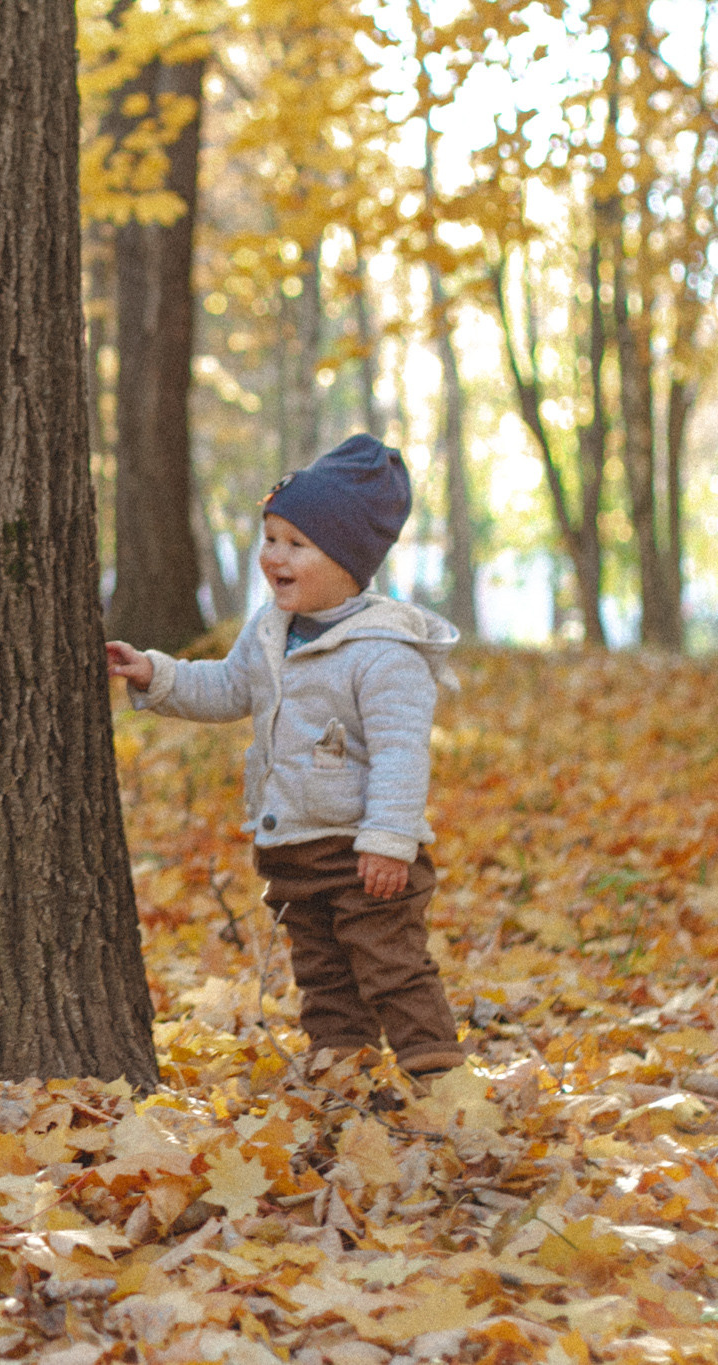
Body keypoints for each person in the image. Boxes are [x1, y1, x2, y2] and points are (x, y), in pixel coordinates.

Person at [106, 434, 465, 1081]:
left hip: (364, 858)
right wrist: (153, 674)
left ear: (350, 561)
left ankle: (440, 1077)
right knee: (324, 973)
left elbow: (401, 756)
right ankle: (341, 1070)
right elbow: (226, 688)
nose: (276, 555)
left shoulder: (385, 652)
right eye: (271, 537)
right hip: (296, 849)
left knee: (391, 968)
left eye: (298, 544)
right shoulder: (270, 630)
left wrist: (389, 839)